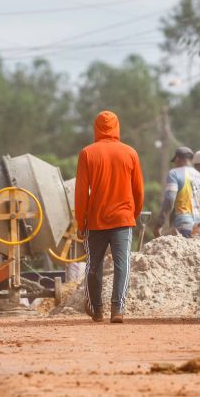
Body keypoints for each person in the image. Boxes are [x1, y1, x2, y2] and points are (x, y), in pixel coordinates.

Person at [75, 110, 144, 324]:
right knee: (122, 265)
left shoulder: (87, 153)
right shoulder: (130, 152)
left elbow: (80, 192)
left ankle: (97, 309)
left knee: (93, 265)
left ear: (96, 128)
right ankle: (118, 309)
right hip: (123, 219)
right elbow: (138, 190)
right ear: (117, 126)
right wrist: (133, 214)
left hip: (95, 220)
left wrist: (81, 221)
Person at [153, 146, 200, 238]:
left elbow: (170, 199)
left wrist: (159, 224)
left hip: (184, 226)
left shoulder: (174, 173)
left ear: (177, 159)